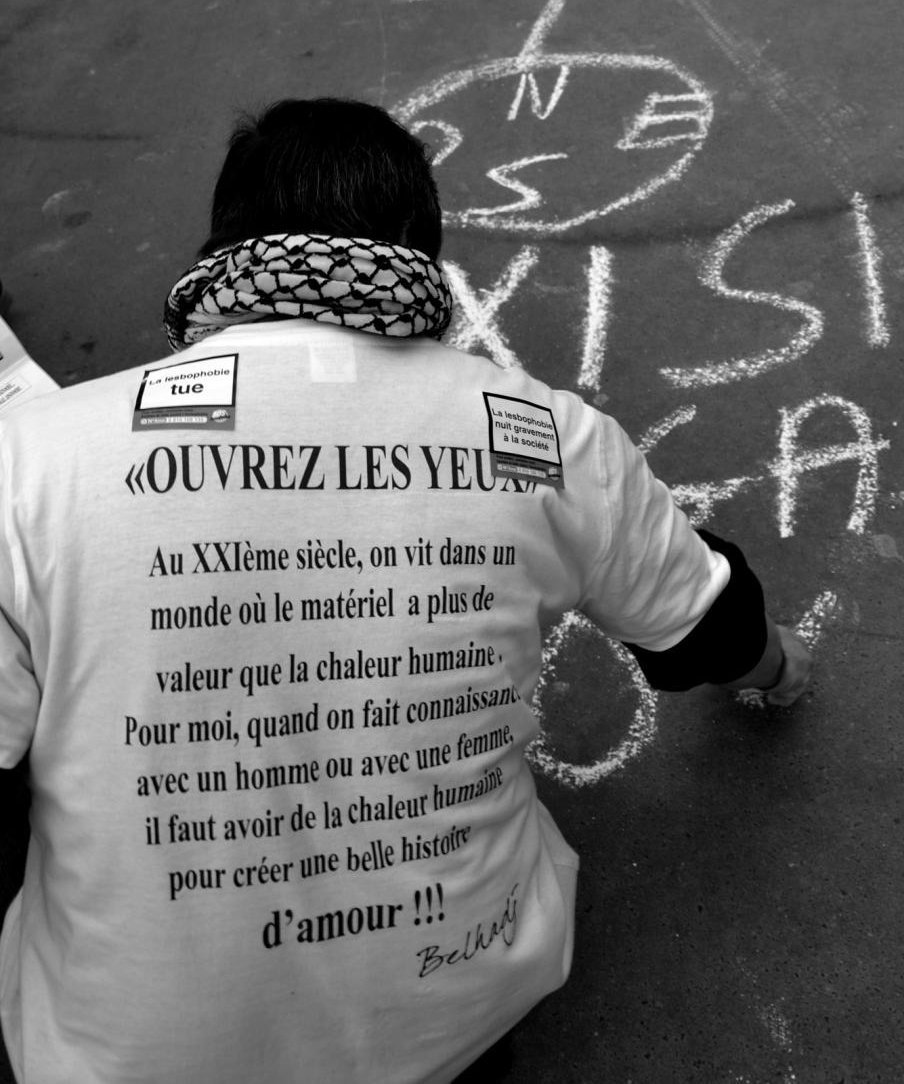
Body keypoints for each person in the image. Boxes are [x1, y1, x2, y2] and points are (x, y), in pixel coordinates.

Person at [0, 97, 812, 1084]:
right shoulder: (548, 435)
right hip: (455, 1013)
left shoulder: (33, 459)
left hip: (130, 1054)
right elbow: (698, 627)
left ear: (221, 244)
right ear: (424, 250)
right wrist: (775, 666)